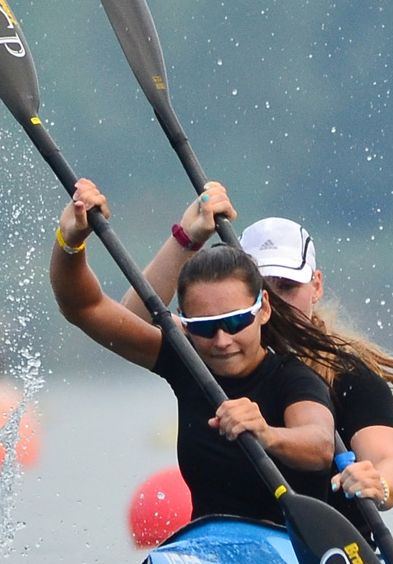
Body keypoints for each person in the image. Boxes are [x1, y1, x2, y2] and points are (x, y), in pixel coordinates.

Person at [124, 186, 393, 530]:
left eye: (288, 286)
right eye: (266, 288)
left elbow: (391, 462)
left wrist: (381, 483)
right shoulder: (214, 346)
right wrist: (187, 239)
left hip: (330, 561)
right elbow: (129, 325)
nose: (279, 301)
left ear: (315, 286)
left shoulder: (348, 376)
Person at [50, 178, 353, 523]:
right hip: (210, 550)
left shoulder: (295, 378)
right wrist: (70, 243)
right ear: (183, 322)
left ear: (263, 309)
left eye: (236, 322)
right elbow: (84, 308)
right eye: (205, 327)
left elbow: (318, 445)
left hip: (291, 548)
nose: (222, 341)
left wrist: (268, 433)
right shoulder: (188, 359)